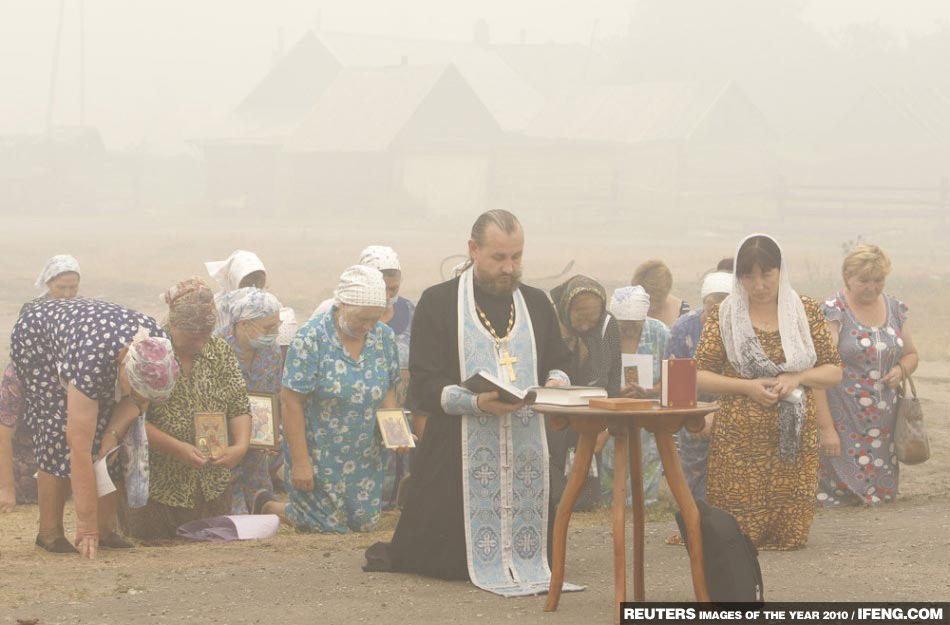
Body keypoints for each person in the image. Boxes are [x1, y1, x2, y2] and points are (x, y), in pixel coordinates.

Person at [365, 210, 573, 597]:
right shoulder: (439, 301)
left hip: (525, 442)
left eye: (516, 257)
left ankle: (524, 556)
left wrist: (555, 383)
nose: (509, 268)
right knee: (450, 565)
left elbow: (559, 359)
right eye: (498, 258)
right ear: (473, 250)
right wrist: (475, 401)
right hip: (456, 446)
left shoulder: (536, 303)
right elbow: (424, 383)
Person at [695, 234, 842, 550]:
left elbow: (833, 370)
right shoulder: (725, 315)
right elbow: (698, 374)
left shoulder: (805, 311)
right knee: (735, 534)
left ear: (781, 271)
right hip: (739, 435)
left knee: (790, 533)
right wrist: (746, 387)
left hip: (794, 431)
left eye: (767, 274)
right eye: (748, 276)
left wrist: (797, 377)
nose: (758, 284)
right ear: (739, 277)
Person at [10, 297, 179, 557]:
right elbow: (78, 446)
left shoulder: (159, 350)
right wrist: (85, 525)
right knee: (57, 431)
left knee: (107, 446)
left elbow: (138, 401)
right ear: (123, 364)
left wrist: (113, 433)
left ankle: (106, 528)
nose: (137, 396)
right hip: (38, 340)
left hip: (89, 339)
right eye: (133, 388)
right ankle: (50, 533)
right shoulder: (93, 361)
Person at [257, 265, 402, 533]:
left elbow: (388, 390)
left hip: (365, 454)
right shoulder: (311, 339)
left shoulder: (384, 338)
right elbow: (291, 402)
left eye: (375, 318)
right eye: (362, 319)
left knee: (363, 524)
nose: (369, 326)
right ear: (342, 305)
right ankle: (271, 506)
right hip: (319, 452)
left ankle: (277, 507)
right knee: (325, 527)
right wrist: (301, 462)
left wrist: (396, 433)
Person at [120, 278, 252, 540]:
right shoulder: (152, 353)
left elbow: (239, 405)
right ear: (174, 325)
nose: (200, 343)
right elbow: (132, 416)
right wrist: (176, 447)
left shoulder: (220, 352)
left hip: (211, 486)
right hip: (158, 488)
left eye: (206, 336)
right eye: (193, 337)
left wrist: (240, 446)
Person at [310, 246, 416, 509]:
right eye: (385, 288)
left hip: (390, 408)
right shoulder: (329, 313)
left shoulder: (409, 313)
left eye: (395, 288)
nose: (390, 295)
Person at [816, 244, 918, 506]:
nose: (872, 287)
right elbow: (818, 373)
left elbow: (911, 354)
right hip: (843, 417)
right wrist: (826, 429)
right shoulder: (833, 311)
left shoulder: (894, 308)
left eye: (879, 280)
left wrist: (900, 370)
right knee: (838, 501)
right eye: (864, 280)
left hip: (884, 424)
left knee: (882, 502)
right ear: (846, 277)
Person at [1, 254, 83, 512]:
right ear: (48, 284)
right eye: (62, 288)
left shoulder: (84, 312)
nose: (68, 294)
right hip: (29, 438)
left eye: (73, 287)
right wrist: (7, 488)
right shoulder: (33, 314)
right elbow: (6, 428)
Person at [547, 274, 621, 511]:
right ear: (567, 308)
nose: (586, 325)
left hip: (593, 413)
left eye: (593, 319)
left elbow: (613, 381)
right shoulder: (549, 323)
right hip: (554, 412)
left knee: (586, 480)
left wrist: (608, 426)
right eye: (580, 318)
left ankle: (584, 499)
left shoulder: (607, 327)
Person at [665, 259, 733, 501]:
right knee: (693, 479)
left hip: (732, 411)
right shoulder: (685, 328)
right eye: (712, 305)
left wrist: (718, 414)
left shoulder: (742, 330)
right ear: (704, 302)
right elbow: (677, 384)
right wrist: (695, 418)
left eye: (725, 305)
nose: (717, 311)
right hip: (692, 414)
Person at [599, 286, 669, 506]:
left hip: (650, 408)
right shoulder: (603, 333)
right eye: (623, 326)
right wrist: (611, 391)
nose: (628, 330)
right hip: (612, 407)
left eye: (634, 325)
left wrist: (650, 391)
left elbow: (674, 375)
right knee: (611, 452)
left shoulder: (661, 333)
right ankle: (609, 499)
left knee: (647, 452)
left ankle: (643, 500)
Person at [216, 287, 283, 514]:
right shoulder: (215, 349)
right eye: (268, 327)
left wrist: (274, 430)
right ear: (243, 324)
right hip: (223, 444)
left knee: (261, 500)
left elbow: (272, 395)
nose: (273, 332)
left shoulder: (271, 351)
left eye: (277, 326)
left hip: (258, 444)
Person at [205, 249, 267, 332]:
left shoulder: (267, 304)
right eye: (248, 282)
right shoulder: (217, 308)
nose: (254, 288)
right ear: (234, 280)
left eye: (259, 282)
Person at [632, 259, 688, 328]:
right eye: (642, 299)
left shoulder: (683, 312)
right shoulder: (626, 311)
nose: (648, 306)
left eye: (652, 300)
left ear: (665, 293)